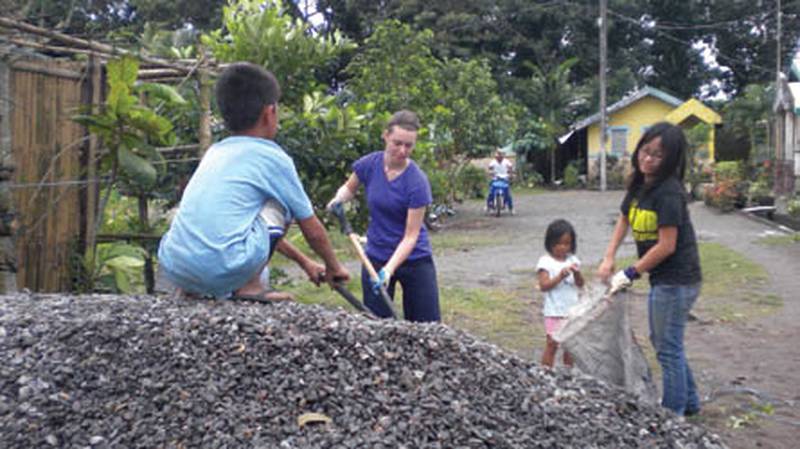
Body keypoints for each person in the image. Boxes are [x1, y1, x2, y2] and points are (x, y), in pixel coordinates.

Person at [158, 63, 349, 301]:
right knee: (284, 204)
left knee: (232, 218)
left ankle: (193, 289)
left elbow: (243, 229)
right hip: (221, 266)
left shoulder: (215, 152)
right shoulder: (273, 158)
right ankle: (249, 287)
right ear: (270, 113)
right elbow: (311, 228)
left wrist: (305, 262)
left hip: (175, 266)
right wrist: (334, 266)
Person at [597, 122, 702, 417]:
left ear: (670, 160)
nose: (648, 159)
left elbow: (667, 245)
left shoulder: (669, 192)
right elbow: (623, 219)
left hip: (677, 280)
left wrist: (630, 273)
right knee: (667, 342)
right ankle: (691, 402)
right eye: (645, 151)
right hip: (664, 280)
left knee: (667, 347)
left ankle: (673, 414)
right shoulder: (641, 184)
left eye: (657, 156)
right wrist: (608, 258)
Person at [326, 110, 440, 322]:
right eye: (397, 143)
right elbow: (350, 188)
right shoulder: (369, 164)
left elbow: (411, 236)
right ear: (385, 136)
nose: (403, 150)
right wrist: (338, 200)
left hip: (415, 260)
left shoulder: (417, 182)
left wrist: (389, 270)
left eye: (409, 145)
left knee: (427, 325)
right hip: (376, 255)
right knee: (377, 323)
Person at [536, 219, 585, 368]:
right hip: (554, 311)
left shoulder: (573, 260)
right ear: (550, 243)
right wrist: (559, 277)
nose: (563, 247)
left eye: (567, 243)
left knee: (570, 346)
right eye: (559, 243)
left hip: (571, 310)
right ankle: (545, 372)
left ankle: (567, 373)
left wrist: (576, 274)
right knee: (552, 343)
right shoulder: (545, 262)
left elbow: (581, 284)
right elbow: (544, 285)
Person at [486, 148, 514, 214]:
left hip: (505, 179)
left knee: (508, 194)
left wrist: (510, 174)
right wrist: (490, 173)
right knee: (490, 193)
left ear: (502, 156)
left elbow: (510, 168)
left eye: (500, 155)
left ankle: (511, 208)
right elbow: (490, 168)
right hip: (496, 178)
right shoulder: (493, 162)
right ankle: (489, 206)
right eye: (497, 156)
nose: (499, 157)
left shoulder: (506, 161)